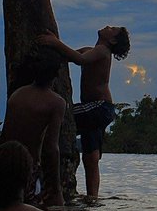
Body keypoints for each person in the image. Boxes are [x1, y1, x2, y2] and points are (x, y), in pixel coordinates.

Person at [38, 26, 130, 200]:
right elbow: (71, 55)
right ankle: (92, 197)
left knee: (64, 114)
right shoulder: (93, 50)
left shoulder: (102, 51)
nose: (108, 26)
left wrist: (54, 42)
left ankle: (64, 185)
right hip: (99, 109)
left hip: (98, 107)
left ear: (112, 40)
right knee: (91, 156)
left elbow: (79, 59)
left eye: (113, 29)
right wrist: (55, 46)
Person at [1, 47, 66, 206]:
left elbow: (4, 136)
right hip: (26, 169)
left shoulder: (17, 95)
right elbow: (52, 148)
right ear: (56, 74)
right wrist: (56, 191)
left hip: (2, 165)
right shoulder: (56, 102)